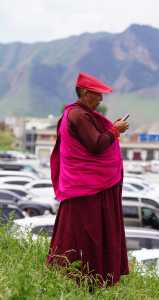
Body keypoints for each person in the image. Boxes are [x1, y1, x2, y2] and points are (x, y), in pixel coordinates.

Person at [47, 72, 129, 286]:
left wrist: (112, 130)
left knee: (82, 232)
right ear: (84, 93)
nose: (101, 99)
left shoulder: (77, 114)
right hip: (87, 187)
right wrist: (115, 130)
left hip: (85, 187)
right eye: (97, 94)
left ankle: (87, 278)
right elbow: (96, 145)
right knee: (86, 234)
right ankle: (87, 277)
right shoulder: (78, 115)